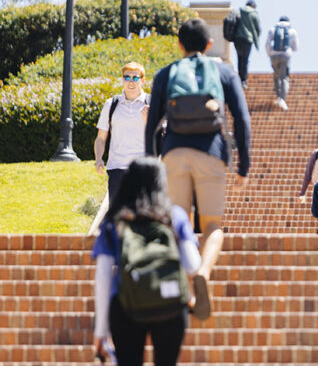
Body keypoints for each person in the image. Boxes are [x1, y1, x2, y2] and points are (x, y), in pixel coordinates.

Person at [145, 18, 251, 320]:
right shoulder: (224, 72)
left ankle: (187, 289)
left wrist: (152, 166)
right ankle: (203, 270)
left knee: (179, 224)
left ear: (179, 45)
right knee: (213, 225)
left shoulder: (167, 74)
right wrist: (244, 165)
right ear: (208, 44)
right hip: (212, 154)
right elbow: (242, 119)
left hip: (174, 153)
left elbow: (152, 125)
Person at [92, 157, 202, 366]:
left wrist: (101, 330)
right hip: (170, 303)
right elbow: (193, 264)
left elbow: (103, 277)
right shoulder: (174, 216)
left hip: (125, 304)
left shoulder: (114, 220)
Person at [94, 62, 150, 202]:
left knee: (142, 217)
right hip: (117, 169)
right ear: (122, 79)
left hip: (143, 168)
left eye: (135, 78)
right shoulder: (111, 104)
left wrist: (150, 121)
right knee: (118, 219)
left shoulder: (152, 103)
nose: (131, 82)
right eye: (127, 77)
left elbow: (161, 135)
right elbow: (101, 138)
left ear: (143, 80)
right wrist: (99, 158)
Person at [265, 16, 299, 111]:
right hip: (286, 56)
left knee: (276, 76)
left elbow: (267, 43)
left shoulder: (273, 29)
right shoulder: (292, 31)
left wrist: (270, 54)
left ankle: (278, 96)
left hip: (274, 56)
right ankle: (282, 99)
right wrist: (289, 50)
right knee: (284, 77)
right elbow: (295, 46)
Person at [232, 0, 261, 89]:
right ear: (252, 6)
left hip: (237, 38)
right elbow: (258, 29)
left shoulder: (239, 11)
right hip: (247, 39)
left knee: (239, 58)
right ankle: (243, 80)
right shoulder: (254, 14)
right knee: (245, 59)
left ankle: (240, 78)